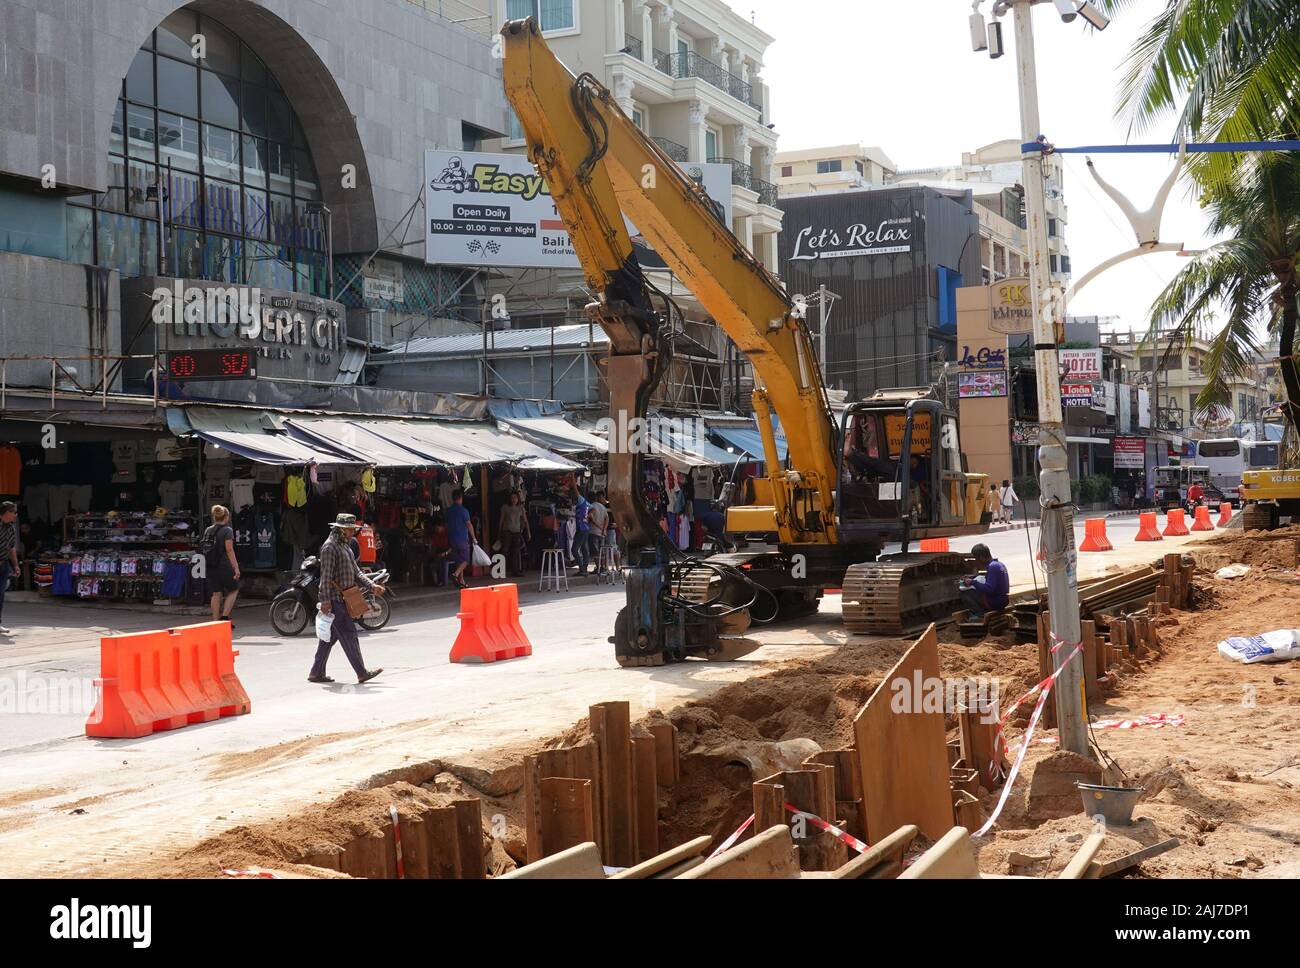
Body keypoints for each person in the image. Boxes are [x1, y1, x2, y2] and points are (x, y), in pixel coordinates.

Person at [309, 513, 384, 685]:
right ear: (341, 529)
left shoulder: (346, 546)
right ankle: (361, 672)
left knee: (329, 638)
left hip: (345, 598)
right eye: (350, 530)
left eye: (352, 529)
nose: (352, 532)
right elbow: (326, 576)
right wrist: (325, 600)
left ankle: (316, 672)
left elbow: (356, 572)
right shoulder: (330, 548)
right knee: (349, 635)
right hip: (335, 600)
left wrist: (371, 586)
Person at [202, 505, 241, 629]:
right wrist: (236, 567)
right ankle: (224, 617)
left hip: (210, 565)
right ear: (227, 517)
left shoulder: (208, 530)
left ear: (215, 517)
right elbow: (229, 550)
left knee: (216, 593)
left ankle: (215, 622)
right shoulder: (227, 530)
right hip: (223, 564)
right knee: (234, 589)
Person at [959, 543, 1009, 619]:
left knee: (965, 593)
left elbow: (989, 589)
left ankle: (980, 614)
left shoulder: (992, 567)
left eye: (977, 559)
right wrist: (973, 578)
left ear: (981, 557)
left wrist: (972, 582)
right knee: (977, 588)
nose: (977, 562)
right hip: (1003, 600)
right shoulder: (999, 564)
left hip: (996, 603)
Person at [444, 489, 475, 588]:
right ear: (461, 498)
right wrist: (474, 537)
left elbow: (446, 525)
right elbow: (469, 524)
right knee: (466, 560)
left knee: (459, 560)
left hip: (452, 539)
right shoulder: (463, 510)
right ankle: (456, 574)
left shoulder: (448, 511)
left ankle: (461, 581)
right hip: (462, 539)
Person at [498, 491, 530, 578]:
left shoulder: (521, 508)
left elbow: (525, 521)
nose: (513, 499)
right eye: (512, 498)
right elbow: (501, 520)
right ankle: (501, 569)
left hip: (516, 532)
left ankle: (514, 571)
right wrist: (499, 531)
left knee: (515, 552)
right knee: (505, 550)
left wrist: (528, 532)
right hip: (507, 531)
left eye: (515, 498)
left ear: (518, 498)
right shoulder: (505, 507)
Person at [0, 501, 18, 635]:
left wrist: (16, 565)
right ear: (6, 512)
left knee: (0, 595)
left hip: (4, 565)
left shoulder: (11, 528)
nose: (16, 515)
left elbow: (11, 548)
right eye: (14, 512)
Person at [573, 491, 592, 573]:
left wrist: (572, 478)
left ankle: (582, 569)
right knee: (584, 549)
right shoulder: (587, 504)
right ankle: (585, 568)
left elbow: (575, 490)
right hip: (586, 528)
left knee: (574, 549)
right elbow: (593, 509)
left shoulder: (581, 500)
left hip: (581, 528)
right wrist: (587, 515)